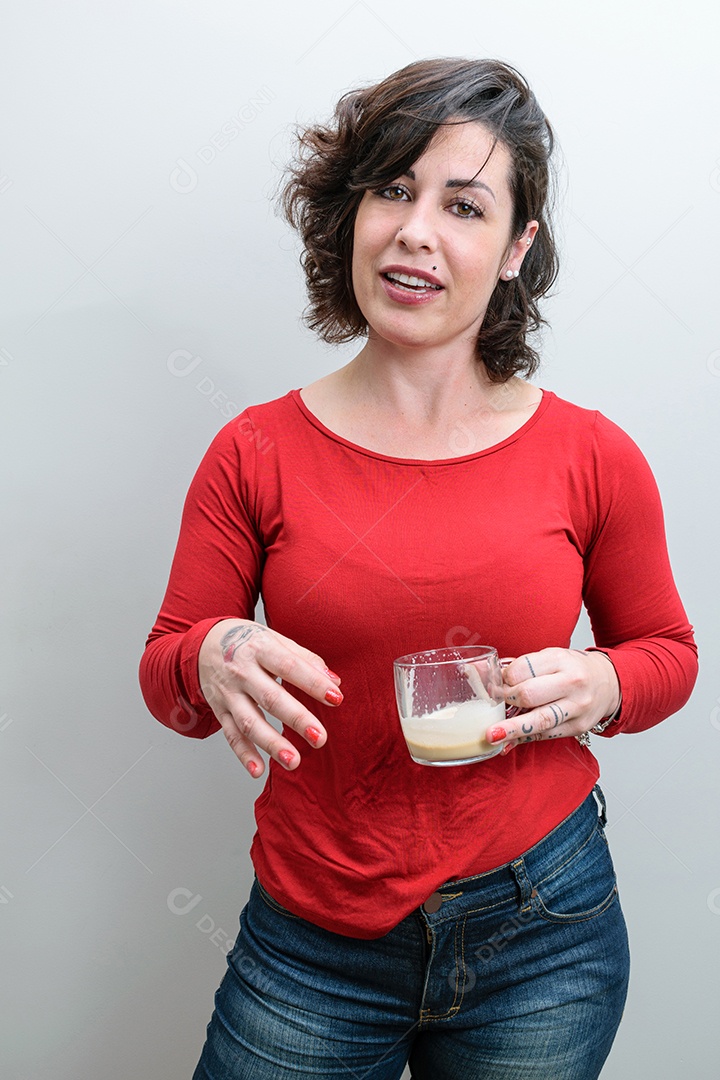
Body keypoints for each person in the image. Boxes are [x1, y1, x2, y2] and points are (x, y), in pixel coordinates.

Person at [139, 57, 698, 1080]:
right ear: (349, 213)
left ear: (517, 246)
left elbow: (668, 655)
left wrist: (606, 681)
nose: (416, 231)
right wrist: (210, 652)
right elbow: (171, 681)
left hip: (546, 930)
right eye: (391, 189)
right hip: (312, 944)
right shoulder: (251, 453)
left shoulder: (593, 455)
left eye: (465, 205)